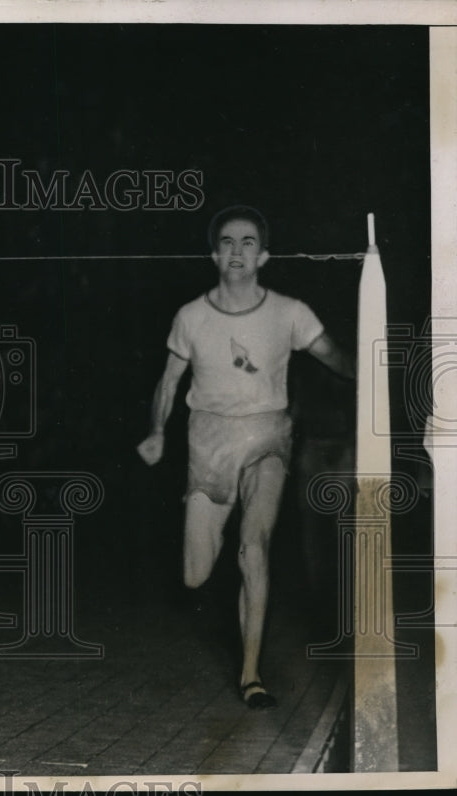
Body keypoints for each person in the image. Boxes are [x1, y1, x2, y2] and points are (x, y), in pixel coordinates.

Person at [136, 205, 354, 709]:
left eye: (248, 242)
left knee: (253, 546)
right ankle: (212, 580)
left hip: (267, 436)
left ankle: (251, 675)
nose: (237, 251)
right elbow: (169, 382)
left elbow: (337, 358)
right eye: (228, 242)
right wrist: (156, 433)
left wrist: (372, 371)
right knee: (195, 572)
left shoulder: (291, 312)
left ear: (264, 256)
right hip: (208, 441)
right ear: (214, 254)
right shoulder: (191, 316)